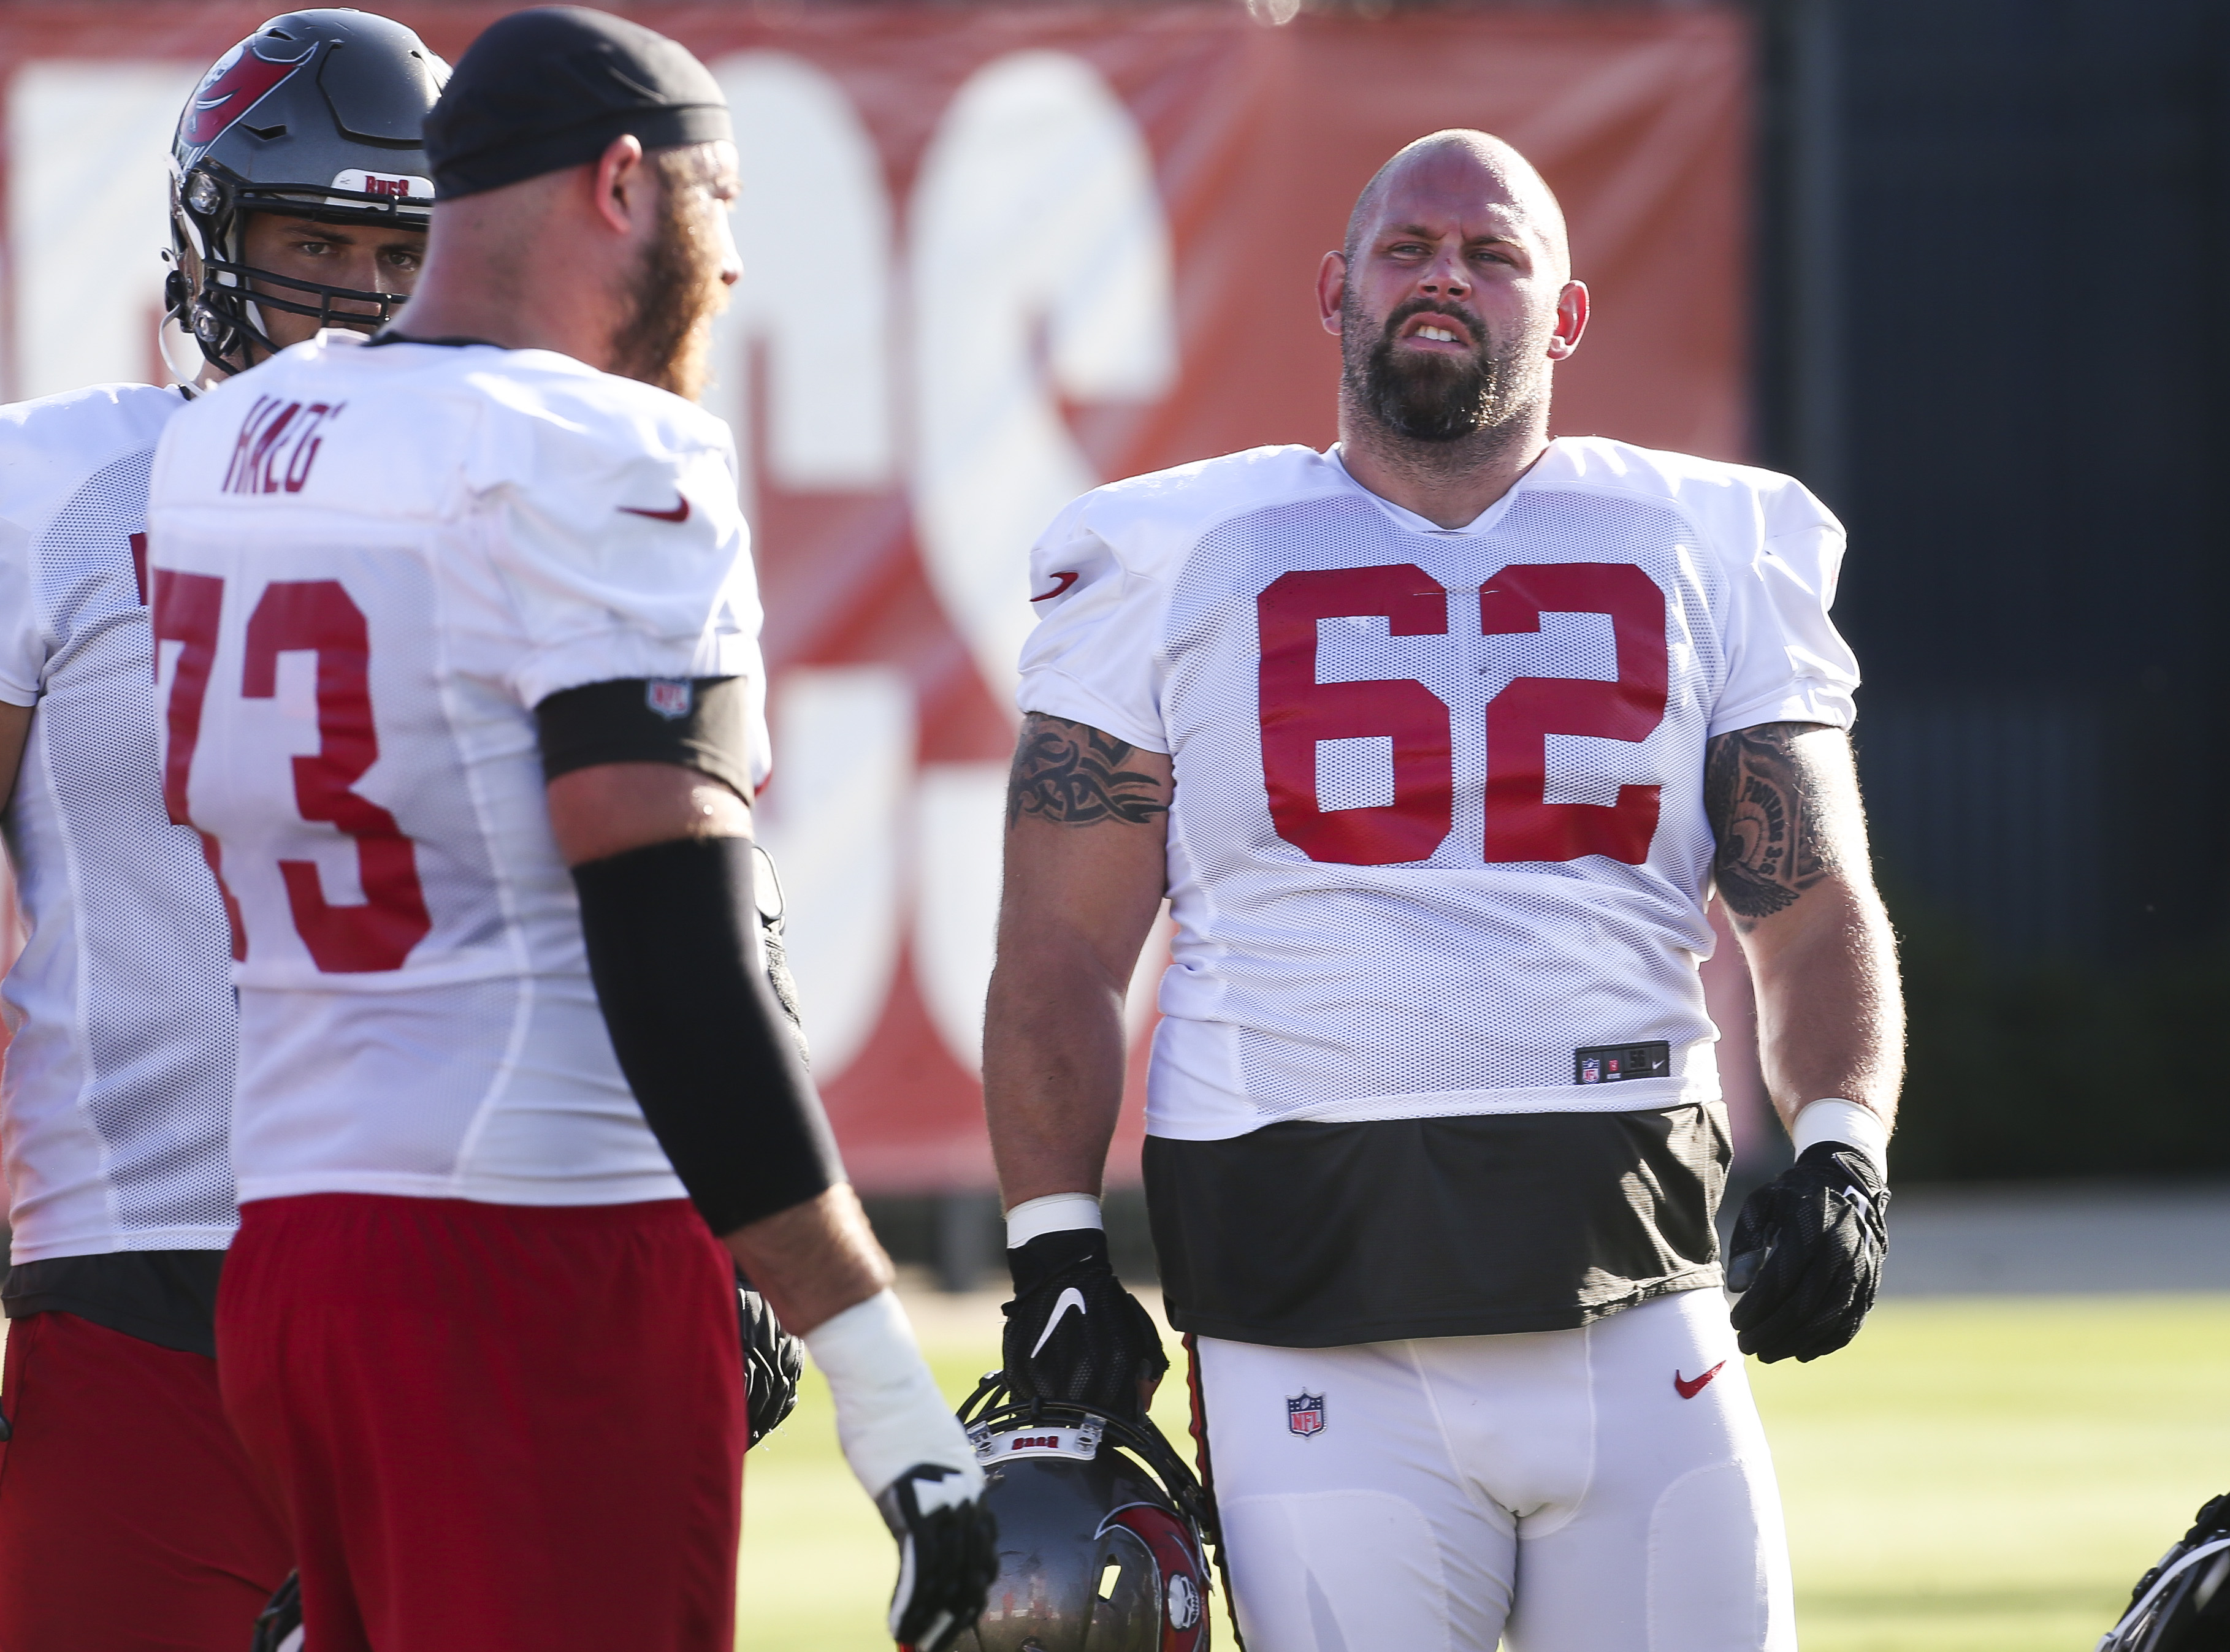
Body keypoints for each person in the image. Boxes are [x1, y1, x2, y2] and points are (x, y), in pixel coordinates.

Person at [983, 128, 1903, 1651]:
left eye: (1492, 255)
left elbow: (1809, 902)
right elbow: (1059, 951)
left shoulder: (1711, 541)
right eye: (1408, 249)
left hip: (1638, 1295)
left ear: (1565, 314)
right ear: (1336, 290)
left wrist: (1843, 1148)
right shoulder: (1165, 552)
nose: (1443, 280)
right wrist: (1055, 1242)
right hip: (1312, 1314)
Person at [144, 10, 995, 1651]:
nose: (735, 263)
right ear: (623, 183)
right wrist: (877, 1367)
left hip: (296, 1258)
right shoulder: (604, 454)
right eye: (723, 198)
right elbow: (670, 941)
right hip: (539, 1257)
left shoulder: (230, 441)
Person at [0, 13, 441, 1648]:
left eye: (395, 248)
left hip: (449, 1252)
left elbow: (640, 899)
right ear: (210, 239)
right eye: (310, 238)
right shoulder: (55, 486)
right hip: (145, 1263)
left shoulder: (533, 499)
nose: (354, 292)